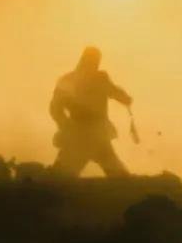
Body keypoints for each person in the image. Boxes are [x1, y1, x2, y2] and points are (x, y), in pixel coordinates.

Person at [49, 47, 132, 177]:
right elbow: (55, 107)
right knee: (60, 174)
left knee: (61, 174)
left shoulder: (76, 79)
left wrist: (65, 125)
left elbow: (55, 107)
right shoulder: (95, 79)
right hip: (84, 135)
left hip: (90, 134)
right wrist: (65, 125)